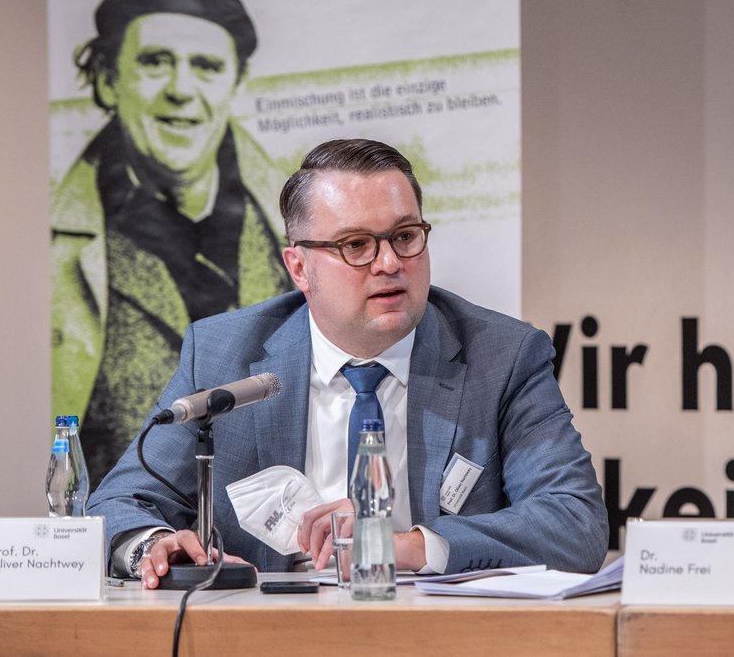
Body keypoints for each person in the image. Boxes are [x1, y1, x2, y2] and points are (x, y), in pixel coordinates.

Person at [86, 138, 609, 588]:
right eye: (356, 244)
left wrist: (404, 545)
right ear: (299, 268)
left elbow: (575, 523)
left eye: (405, 236)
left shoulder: (502, 356)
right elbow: (120, 500)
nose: (390, 262)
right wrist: (153, 547)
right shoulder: (226, 355)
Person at [51, 0, 292, 485]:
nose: (181, 89)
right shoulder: (57, 251)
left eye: (206, 67)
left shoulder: (292, 233)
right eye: (155, 62)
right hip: (128, 528)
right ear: (109, 80)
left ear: (236, 84)